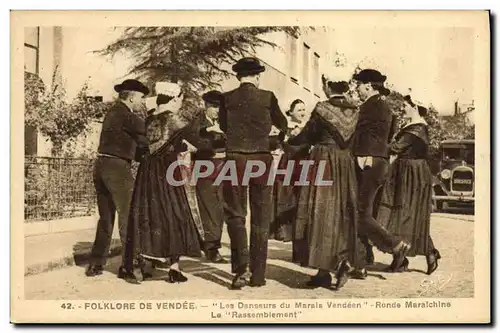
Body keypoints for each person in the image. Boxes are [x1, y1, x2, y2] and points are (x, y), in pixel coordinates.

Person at [123, 82, 204, 284]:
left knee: (148, 213)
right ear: (174, 99)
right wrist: (194, 149)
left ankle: (144, 264)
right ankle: (174, 267)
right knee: (175, 213)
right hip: (168, 171)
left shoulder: (148, 119)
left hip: (147, 173)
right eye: (180, 100)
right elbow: (200, 144)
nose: (180, 104)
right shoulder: (175, 119)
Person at [219, 57, 288, 289]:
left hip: (235, 158)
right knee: (260, 217)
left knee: (235, 214)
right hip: (261, 158)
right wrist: (272, 141)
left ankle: (240, 271)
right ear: (257, 76)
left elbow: (223, 126)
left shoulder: (227, 98)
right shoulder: (267, 97)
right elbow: (283, 124)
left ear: (238, 77)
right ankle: (258, 276)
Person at [289, 76, 359, 290]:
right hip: (344, 164)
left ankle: (335, 266)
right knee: (339, 213)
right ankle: (325, 270)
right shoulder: (355, 111)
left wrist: (290, 139)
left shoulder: (322, 108)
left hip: (323, 160)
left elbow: (308, 136)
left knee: (319, 213)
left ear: (328, 87)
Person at [350, 69, 411, 279]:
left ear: (368, 86)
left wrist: (363, 154)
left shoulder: (370, 106)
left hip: (368, 162)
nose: (356, 89)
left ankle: (395, 244)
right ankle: (362, 260)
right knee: (363, 212)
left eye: (358, 85)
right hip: (379, 163)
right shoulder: (384, 106)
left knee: (360, 213)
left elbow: (363, 135)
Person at [86, 79, 149, 278]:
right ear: (131, 97)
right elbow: (145, 139)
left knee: (106, 218)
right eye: (140, 98)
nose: (142, 102)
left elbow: (128, 142)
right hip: (117, 168)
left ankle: (96, 264)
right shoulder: (128, 116)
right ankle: (129, 266)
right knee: (128, 216)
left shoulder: (112, 113)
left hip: (101, 166)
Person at [376, 95, 441, 274]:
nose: (403, 108)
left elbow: (396, 147)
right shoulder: (411, 126)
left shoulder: (417, 129)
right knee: (400, 215)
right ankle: (400, 259)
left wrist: (373, 145)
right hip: (404, 172)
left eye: (406, 105)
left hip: (413, 175)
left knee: (408, 216)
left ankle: (429, 253)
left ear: (415, 106)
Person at [192, 90, 228, 263]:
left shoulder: (224, 123)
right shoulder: (198, 123)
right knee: (208, 207)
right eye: (213, 107)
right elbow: (193, 136)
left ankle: (213, 243)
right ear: (205, 106)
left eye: (219, 107)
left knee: (220, 207)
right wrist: (208, 130)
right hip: (205, 167)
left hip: (223, 167)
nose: (216, 110)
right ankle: (211, 248)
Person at [269, 99, 308, 242]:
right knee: (285, 194)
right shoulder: (285, 128)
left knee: (300, 195)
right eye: (299, 110)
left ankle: (298, 231)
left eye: (304, 110)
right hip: (288, 163)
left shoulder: (307, 128)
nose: (302, 113)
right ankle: (283, 231)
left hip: (303, 162)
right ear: (290, 112)